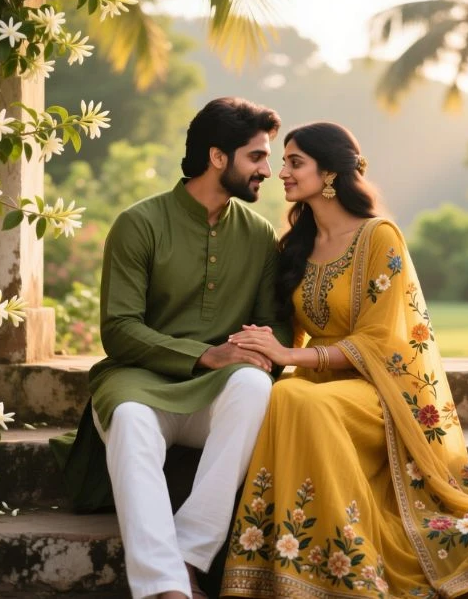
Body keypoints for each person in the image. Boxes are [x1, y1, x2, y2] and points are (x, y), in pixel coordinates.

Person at [218, 122, 468, 598]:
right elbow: (285, 325)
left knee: (298, 398)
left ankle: (348, 573)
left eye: (295, 162)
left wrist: (289, 355)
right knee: (289, 394)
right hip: (315, 389)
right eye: (283, 162)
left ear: (329, 173)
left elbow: (380, 340)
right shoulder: (294, 246)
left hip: (376, 391)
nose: (281, 173)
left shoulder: (378, 237)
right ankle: (304, 572)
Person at [52, 97, 294, 599]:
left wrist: (257, 348)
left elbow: (275, 326)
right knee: (131, 419)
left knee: (254, 384)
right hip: (137, 382)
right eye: (256, 157)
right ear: (217, 157)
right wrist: (206, 354)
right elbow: (119, 329)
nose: (267, 171)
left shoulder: (258, 235)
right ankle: (167, 587)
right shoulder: (139, 224)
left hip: (215, 393)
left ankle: (187, 555)